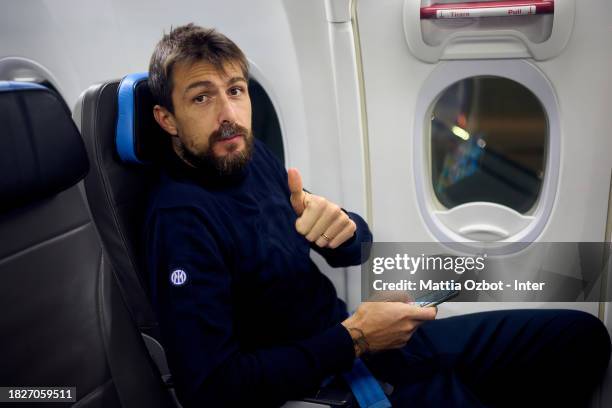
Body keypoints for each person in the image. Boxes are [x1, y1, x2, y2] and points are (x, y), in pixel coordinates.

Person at [144, 24, 611, 407]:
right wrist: (356, 339)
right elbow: (210, 391)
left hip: (367, 349)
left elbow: (353, 247)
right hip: (327, 386)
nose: (229, 114)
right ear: (167, 119)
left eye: (236, 90)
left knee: (580, 338)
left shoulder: (253, 156)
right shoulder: (180, 221)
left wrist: (344, 228)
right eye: (202, 98)